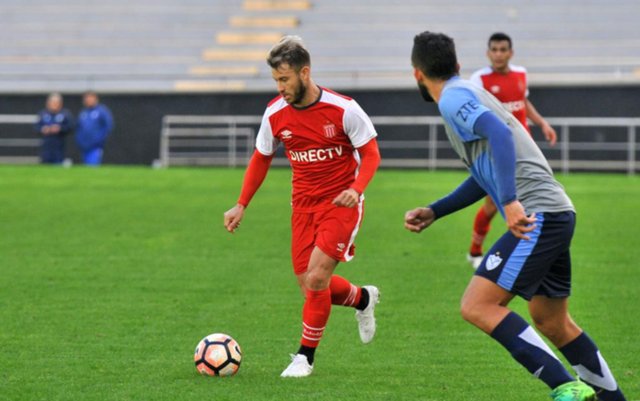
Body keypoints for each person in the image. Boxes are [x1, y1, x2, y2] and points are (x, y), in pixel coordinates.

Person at [404, 31, 626, 401]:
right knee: (552, 321)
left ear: (416, 74)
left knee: (477, 305)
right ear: (457, 66)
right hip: (554, 212)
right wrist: (436, 211)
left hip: (536, 213)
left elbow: (499, 135)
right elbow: (484, 172)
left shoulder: (455, 97)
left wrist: (508, 202)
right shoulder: (469, 92)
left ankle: (565, 386)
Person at [223, 35, 381, 378]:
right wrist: (241, 205)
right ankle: (362, 299)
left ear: (304, 73)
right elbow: (261, 158)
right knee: (310, 285)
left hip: (341, 203)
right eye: (276, 80)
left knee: (317, 277)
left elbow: (371, 154)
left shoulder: (344, 109)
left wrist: (356, 188)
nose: (280, 87)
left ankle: (304, 357)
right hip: (302, 206)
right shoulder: (275, 113)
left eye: (285, 79)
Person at [467, 32, 558, 269]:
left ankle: (530, 252)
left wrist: (542, 124)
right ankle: (475, 250)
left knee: (532, 200)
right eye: (494, 50)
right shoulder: (479, 79)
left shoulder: (521, 74)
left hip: (525, 151)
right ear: (488, 53)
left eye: (503, 49)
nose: (498, 54)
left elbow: (523, 103)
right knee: (492, 206)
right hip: (498, 154)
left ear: (511, 52)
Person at [75, 91, 113, 166]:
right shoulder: (83, 113)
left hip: (96, 146)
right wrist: (80, 141)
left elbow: (108, 126)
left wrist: (99, 140)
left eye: (90, 98)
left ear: (95, 99)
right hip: (84, 146)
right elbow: (78, 128)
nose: (88, 100)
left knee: (93, 166)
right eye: (87, 99)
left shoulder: (101, 111)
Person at [35, 93, 74, 164]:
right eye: (52, 102)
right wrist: (43, 129)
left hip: (60, 147)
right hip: (46, 147)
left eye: (56, 102)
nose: (54, 104)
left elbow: (70, 127)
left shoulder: (65, 114)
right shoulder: (43, 114)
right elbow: (36, 127)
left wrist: (60, 128)